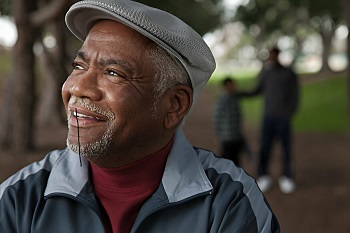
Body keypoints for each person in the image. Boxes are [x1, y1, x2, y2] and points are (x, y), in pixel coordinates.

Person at [0, 0, 280, 232]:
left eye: (113, 73)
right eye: (78, 65)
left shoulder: (230, 202)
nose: (77, 87)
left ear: (174, 105)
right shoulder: (18, 199)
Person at [246, 47, 299, 194]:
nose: (272, 58)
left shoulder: (288, 73)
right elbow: (256, 90)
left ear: (278, 56)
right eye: (270, 56)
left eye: (274, 55)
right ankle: (263, 175)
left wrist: (290, 112)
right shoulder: (267, 73)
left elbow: (295, 95)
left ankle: (287, 177)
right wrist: (238, 93)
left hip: (283, 118)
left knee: (285, 148)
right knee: (265, 147)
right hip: (268, 117)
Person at [213, 77, 252, 166]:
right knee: (226, 161)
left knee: (236, 161)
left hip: (236, 135)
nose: (233, 87)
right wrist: (219, 134)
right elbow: (217, 118)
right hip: (227, 137)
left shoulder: (235, 97)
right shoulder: (222, 100)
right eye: (231, 85)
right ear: (225, 86)